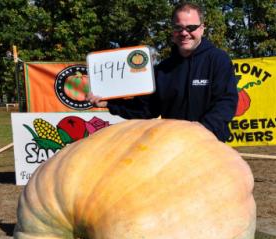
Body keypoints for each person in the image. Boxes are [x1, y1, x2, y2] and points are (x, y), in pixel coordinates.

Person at [87, 2, 238, 142]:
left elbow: (226, 103)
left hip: (210, 145)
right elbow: (146, 110)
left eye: (190, 27)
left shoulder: (218, 60)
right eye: (179, 28)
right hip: (172, 146)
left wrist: (200, 132)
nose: (184, 33)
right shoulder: (163, 69)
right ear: (173, 30)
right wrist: (109, 103)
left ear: (202, 28)